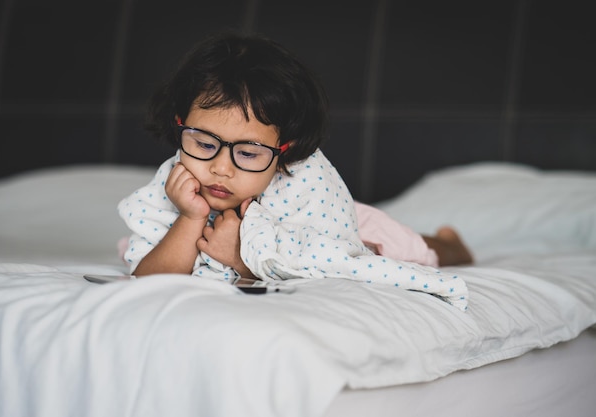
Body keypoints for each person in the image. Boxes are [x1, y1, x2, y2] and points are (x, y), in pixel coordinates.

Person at [117, 32, 472, 310]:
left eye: (249, 153)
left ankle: (450, 243)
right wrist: (190, 219)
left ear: (285, 151)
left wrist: (243, 260)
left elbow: (332, 267)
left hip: (332, 224)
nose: (220, 168)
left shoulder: (308, 179)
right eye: (205, 145)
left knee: (407, 247)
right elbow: (147, 280)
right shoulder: (174, 181)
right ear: (180, 125)